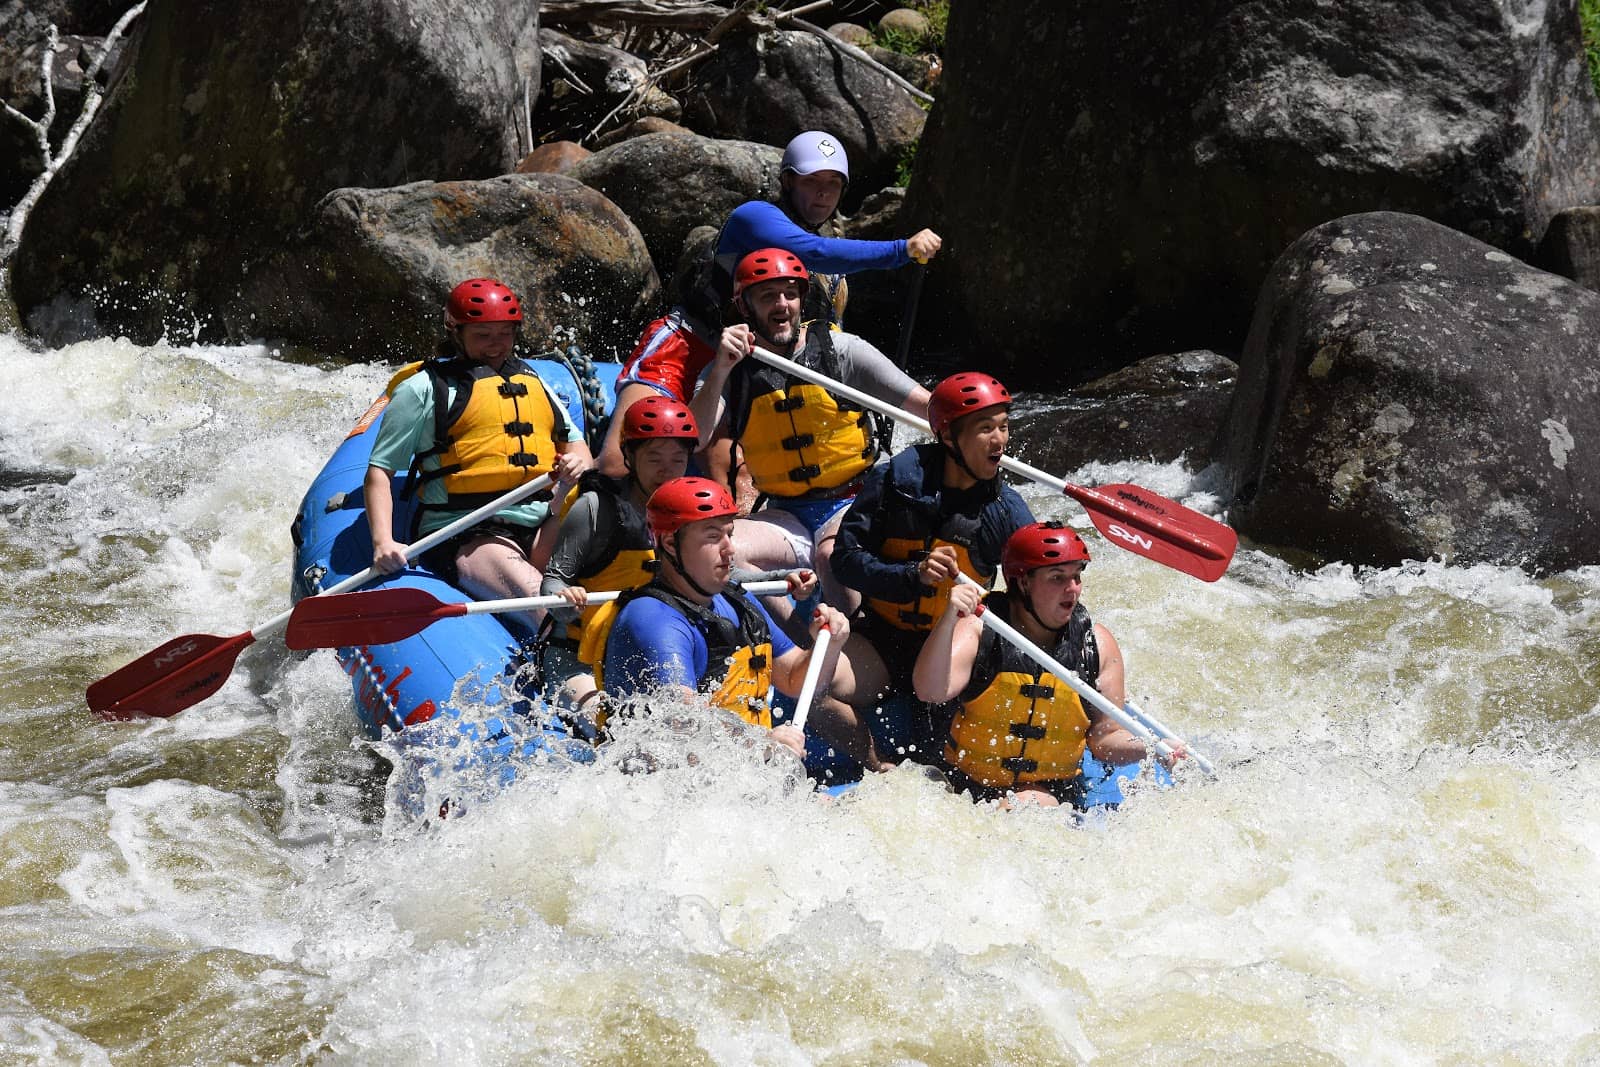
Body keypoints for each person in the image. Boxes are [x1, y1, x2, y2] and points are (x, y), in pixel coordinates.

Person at [690, 248, 930, 611]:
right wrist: (721, 370)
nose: (782, 304)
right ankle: (797, 651)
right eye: (768, 296)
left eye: (790, 293)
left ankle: (851, 646)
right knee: (721, 554)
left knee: (830, 555)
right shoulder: (729, 369)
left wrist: (970, 421)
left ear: (802, 299)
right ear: (745, 307)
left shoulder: (843, 351)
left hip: (858, 500)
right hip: (787, 512)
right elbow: (693, 437)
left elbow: (924, 405)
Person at [828, 372, 1035, 765]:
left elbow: (1035, 599)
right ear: (949, 436)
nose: (1000, 441)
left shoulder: (1006, 510)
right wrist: (911, 576)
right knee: (817, 683)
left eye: (1004, 427)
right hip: (884, 639)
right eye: (985, 429)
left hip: (954, 651)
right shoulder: (893, 482)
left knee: (948, 759)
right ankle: (877, 766)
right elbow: (845, 560)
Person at [364, 277, 594, 632]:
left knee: (604, 572)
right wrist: (383, 540)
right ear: (456, 332)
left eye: (504, 334)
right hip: (468, 532)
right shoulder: (423, 389)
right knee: (546, 602)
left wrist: (578, 460)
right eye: (483, 335)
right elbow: (380, 470)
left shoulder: (531, 381)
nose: (496, 345)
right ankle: (569, 668)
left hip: (539, 521)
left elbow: (578, 446)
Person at [913, 522, 1177, 808]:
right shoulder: (981, 627)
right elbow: (930, 690)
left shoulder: (1096, 645)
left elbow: (1105, 739)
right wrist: (950, 617)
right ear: (1023, 582)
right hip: (967, 784)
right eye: (1057, 577)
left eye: (1076, 576)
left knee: (1021, 806)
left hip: (1050, 793)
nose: (1072, 589)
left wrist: (1152, 747)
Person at [597, 477, 851, 759]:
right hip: (663, 788)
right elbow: (681, 720)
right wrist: (763, 741)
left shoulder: (735, 599)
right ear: (670, 542)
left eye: (729, 534)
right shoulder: (653, 620)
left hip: (731, 773)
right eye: (712, 537)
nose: (730, 549)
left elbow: (793, 678)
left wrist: (827, 645)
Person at [539, 396, 698, 714]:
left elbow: (722, 579)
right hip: (577, 657)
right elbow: (552, 582)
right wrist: (565, 599)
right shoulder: (596, 508)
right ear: (629, 455)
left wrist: (780, 579)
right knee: (613, 729)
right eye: (655, 459)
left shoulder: (693, 513)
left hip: (649, 652)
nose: (666, 471)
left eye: (677, 460)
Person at [712, 130, 942, 328]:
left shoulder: (825, 233)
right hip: (706, 344)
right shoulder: (753, 217)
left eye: (833, 182)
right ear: (788, 182)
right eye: (812, 180)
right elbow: (817, 253)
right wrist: (902, 250)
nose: (824, 192)